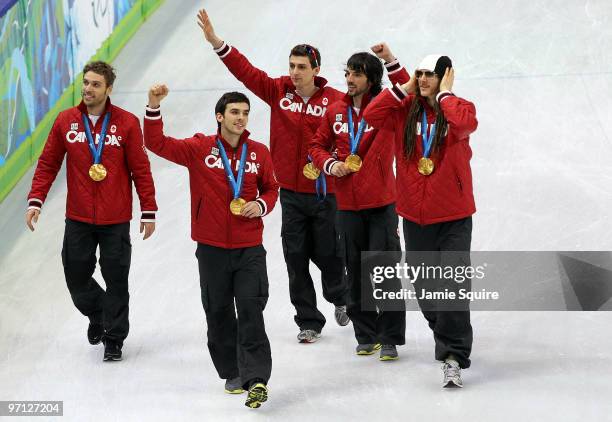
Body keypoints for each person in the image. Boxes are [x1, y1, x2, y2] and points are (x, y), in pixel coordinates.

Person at [143, 87, 278, 409]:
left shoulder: (258, 152)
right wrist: (153, 106)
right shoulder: (199, 148)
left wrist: (261, 205)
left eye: (245, 113)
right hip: (212, 249)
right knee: (217, 312)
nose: (241, 118)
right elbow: (157, 143)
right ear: (220, 116)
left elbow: (272, 188)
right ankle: (231, 370)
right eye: (234, 112)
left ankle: (256, 379)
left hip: (249, 248)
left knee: (250, 310)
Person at [25, 61, 157, 362]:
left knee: (116, 278)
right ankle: (98, 313)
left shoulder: (126, 123)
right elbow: (48, 163)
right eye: (85, 82)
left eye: (95, 84)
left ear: (108, 89)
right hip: (79, 217)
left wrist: (148, 209)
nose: (87, 88)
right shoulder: (66, 121)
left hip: (115, 219)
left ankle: (114, 338)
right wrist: (36, 200)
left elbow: (141, 169)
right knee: (75, 274)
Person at [363, 55, 478, 387]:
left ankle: (453, 355)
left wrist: (445, 95)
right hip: (415, 216)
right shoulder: (405, 109)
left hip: (454, 215)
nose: (424, 78)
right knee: (426, 289)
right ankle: (445, 333)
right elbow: (372, 114)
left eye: (431, 74)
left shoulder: (460, 107)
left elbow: (464, 126)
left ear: (444, 78)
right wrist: (404, 88)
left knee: (454, 288)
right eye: (421, 74)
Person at [309, 51, 408, 361]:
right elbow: (316, 146)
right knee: (355, 270)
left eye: (357, 74)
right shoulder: (335, 111)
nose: (350, 79)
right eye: (348, 73)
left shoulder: (387, 111)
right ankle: (366, 334)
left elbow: (406, 86)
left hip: (382, 202)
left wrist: (391, 58)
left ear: (372, 79)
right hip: (348, 205)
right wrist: (329, 165)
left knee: (386, 270)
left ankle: (390, 337)